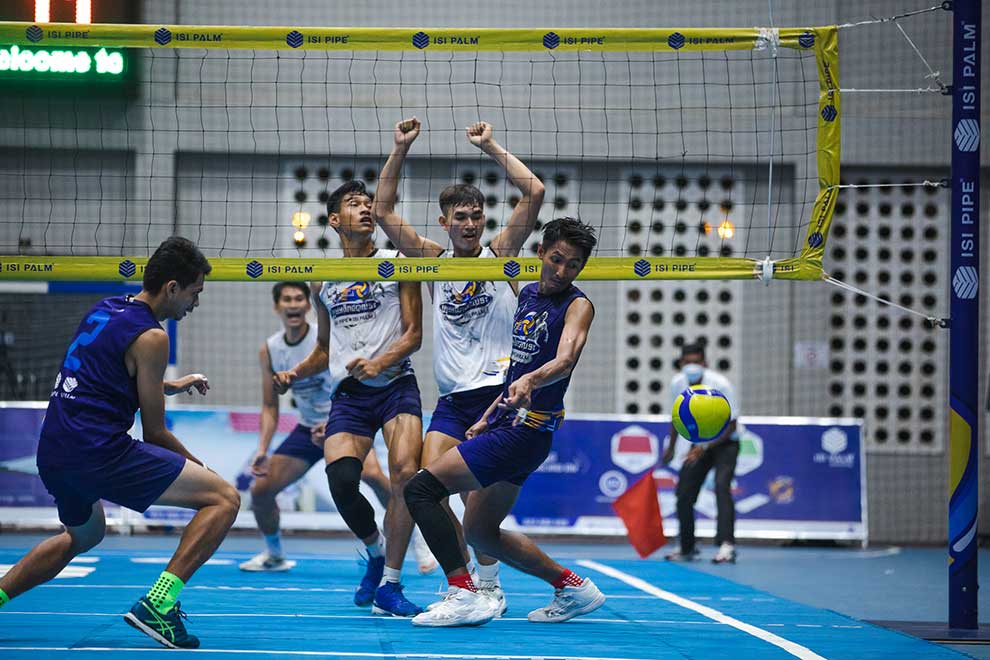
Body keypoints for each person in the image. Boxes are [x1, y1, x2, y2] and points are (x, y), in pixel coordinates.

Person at [0, 236, 239, 649]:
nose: (195, 304)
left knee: (84, 537)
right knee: (224, 499)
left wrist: (168, 385)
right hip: (98, 451)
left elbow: (107, 373)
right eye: (195, 293)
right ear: (172, 288)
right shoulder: (154, 337)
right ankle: (158, 607)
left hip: (54, 451)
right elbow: (155, 434)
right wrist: (205, 470)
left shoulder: (106, 307)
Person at [373, 117, 545, 614]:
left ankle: (489, 585)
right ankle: (465, 578)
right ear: (444, 222)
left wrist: (490, 144)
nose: (470, 223)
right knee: (425, 484)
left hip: (498, 391)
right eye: (460, 216)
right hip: (452, 400)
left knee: (479, 499)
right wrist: (399, 147)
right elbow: (383, 210)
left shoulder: (500, 254)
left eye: (476, 215)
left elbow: (533, 191)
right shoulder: (431, 259)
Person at [404, 217, 606, 627]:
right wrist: (486, 416)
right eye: (556, 259)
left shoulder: (578, 305)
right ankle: (572, 587)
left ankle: (464, 592)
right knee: (479, 531)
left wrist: (533, 380)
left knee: (421, 489)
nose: (562, 271)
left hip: (526, 432)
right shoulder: (528, 294)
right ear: (541, 253)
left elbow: (564, 360)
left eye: (573, 265)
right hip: (507, 425)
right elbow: (516, 370)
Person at [274, 180, 425, 617]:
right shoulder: (323, 279)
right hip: (352, 395)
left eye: (368, 203)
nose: (365, 209)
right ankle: (375, 552)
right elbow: (324, 349)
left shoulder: (398, 262)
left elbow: (413, 335)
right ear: (335, 220)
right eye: (354, 204)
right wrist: (294, 373)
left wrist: (381, 362)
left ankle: (392, 585)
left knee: (404, 477)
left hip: (396, 384)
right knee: (341, 481)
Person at [240, 282, 437, 575]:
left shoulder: (331, 335)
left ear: (308, 305)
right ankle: (274, 553)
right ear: (276, 307)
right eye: (286, 300)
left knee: (373, 474)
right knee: (261, 491)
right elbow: (270, 406)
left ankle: (417, 537)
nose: (293, 305)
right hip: (308, 428)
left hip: (342, 416)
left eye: (298, 299)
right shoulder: (271, 349)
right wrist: (262, 449)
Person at [662, 342, 740, 564]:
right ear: (681, 364)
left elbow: (732, 424)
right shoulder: (677, 383)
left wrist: (703, 447)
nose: (691, 366)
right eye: (687, 362)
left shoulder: (720, 385)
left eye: (696, 362)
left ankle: (727, 546)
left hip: (725, 444)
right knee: (683, 493)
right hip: (697, 445)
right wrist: (670, 447)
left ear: (704, 363)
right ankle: (687, 547)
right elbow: (676, 418)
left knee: (722, 487)